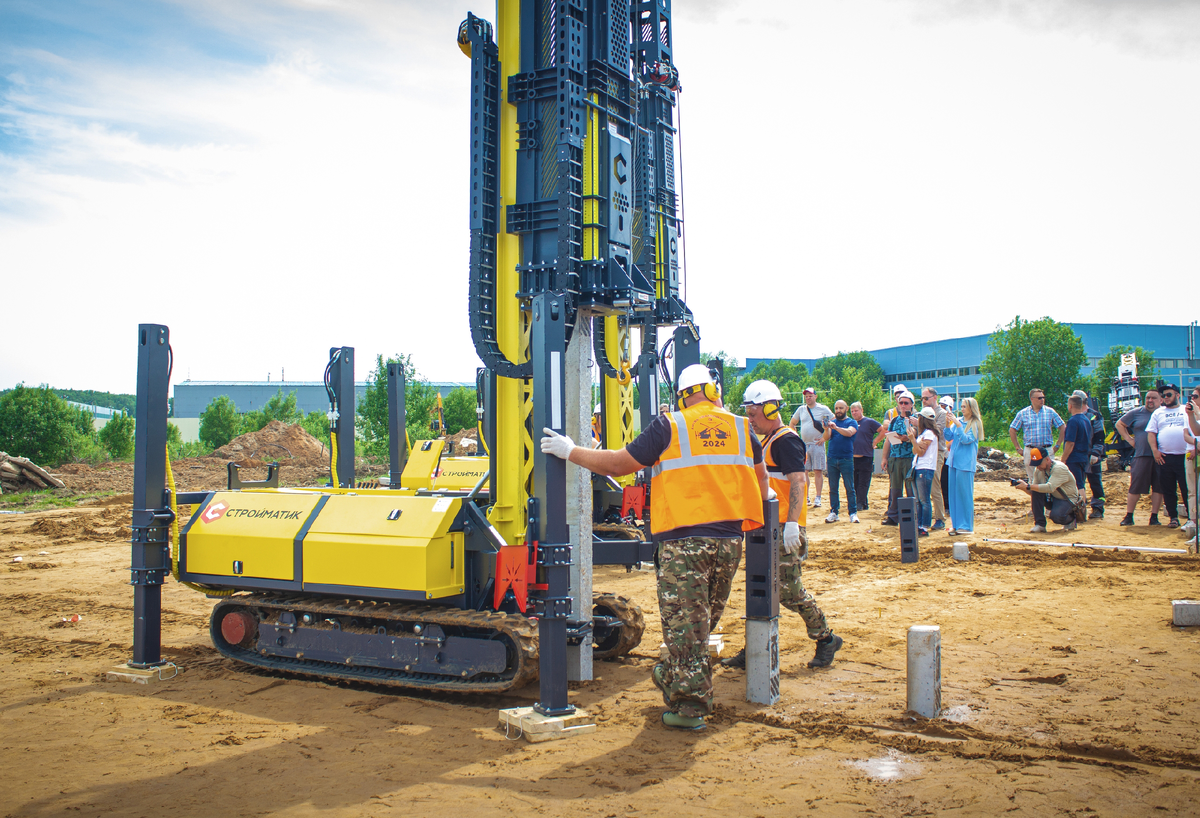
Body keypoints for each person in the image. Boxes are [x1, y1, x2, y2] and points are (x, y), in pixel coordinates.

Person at [540, 364, 766, 731]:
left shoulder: (670, 425)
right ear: (713, 390)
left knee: (685, 628)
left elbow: (620, 464)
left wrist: (571, 452)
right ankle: (674, 676)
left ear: (682, 395)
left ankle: (689, 708)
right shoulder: (742, 428)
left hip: (684, 542)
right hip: (729, 541)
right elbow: (761, 482)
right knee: (699, 624)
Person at [721, 380, 843, 672]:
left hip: (784, 528)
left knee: (789, 591)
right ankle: (754, 647)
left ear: (770, 409)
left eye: (753, 414)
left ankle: (826, 638)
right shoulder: (767, 440)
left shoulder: (785, 440)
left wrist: (792, 524)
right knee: (760, 588)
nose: (751, 420)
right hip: (766, 527)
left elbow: (798, 481)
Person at [1115, 390, 1163, 526]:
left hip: (1161, 456)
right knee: (1135, 487)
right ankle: (1129, 516)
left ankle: (1154, 517)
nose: (1150, 400)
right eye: (1148, 398)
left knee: (1158, 487)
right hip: (1142, 455)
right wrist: (1130, 440)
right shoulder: (1137, 413)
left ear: (1160, 400)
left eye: (1154, 398)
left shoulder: (1163, 413)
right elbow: (1119, 424)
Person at [1147, 381, 1190, 528]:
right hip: (1165, 457)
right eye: (1163, 395)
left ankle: (1191, 518)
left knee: (1187, 489)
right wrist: (1155, 451)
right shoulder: (1158, 413)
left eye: (1169, 395)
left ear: (1177, 395)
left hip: (1185, 456)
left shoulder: (1186, 410)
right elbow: (1151, 433)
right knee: (1168, 489)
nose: (1165, 397)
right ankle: (1173, 518)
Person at [1014, 447, 1081, 532]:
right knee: (1036, 491)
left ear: (1047, 459)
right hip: (1053, 497)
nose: (1038, 467)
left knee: (1056, 517)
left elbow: (1050, 487)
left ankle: (1071, 519)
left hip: (1067, 499)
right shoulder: (1039, 470)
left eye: (1039, 463)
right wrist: (1024, 487)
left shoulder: (1059, 468)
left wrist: (1028, 486)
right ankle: (1040, 524)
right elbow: (1033, 491)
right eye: (1036, 464)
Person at [789, 387, 834, 509]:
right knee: (804, 471)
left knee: (818, 471)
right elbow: (792, 423)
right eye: (806, 396)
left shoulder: (823, 409)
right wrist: (796, 437)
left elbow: (832, 422)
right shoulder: (801, 409)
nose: (808, 398)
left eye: (810, 396)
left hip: (817, 444)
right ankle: (806, 496)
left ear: (815, 396)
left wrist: (825, 437)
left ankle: (818, 497)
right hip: (804, 445)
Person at [944, 397, 983, 534]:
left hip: (965, 463)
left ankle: (966, 526)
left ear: (972, 408)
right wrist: (948, 424)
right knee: (953, 495)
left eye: (965, 406)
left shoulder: (975, 423)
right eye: (961, 406)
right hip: (953, 462)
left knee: (964, 495)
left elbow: (967, 440)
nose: (962, 409)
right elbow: (948, 437)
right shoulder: (958, 421)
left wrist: (958, 425)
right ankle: (956, 524)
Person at [1009, 388, 1065, 483]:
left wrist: (1057, 445)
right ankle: (1034, 493)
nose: (1042, 400)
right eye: (1039, 398)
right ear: (1032, 399)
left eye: (1043, 397)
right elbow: (1012, 429)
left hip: (1046, 449)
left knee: (1049, 478)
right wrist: (1018, 448)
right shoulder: (1023, 413)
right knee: (1032, 480)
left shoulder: (1050, 412)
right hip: (1030, 450)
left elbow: (1062, 427)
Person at [881, 391, 916, 526]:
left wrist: (907, 437)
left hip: (909, 458)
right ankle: (893, 516)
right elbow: (888, 439)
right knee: (895, 489)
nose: (903, 405)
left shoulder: (915, 419)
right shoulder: (894, 420)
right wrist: (884, 458)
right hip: (895, 458)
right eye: (901, 402)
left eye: (906, 403)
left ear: (911, 404)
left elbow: (915, 435)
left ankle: (913, 515)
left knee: (911, 489)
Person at [1072, 389, 1107, 520]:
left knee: (1095, 482)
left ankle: (1098, 508)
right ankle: (1080, 510)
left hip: (1091, 456)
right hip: (1078, 456)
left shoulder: (1094, 416)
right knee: (1078, 483)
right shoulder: (1074, 415)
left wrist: (1096, 453)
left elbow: (1100, 436)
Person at [823, 400, 859, 523]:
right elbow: (826, 437)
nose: (838, 410)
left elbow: (849, 433)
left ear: (846, 408)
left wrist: (836, 428)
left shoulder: (852, 422)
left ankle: (853, 513)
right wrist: (826, 429)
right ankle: (834, 511)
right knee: (833, 487)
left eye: (841, 408)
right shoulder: (832, 422)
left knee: (849, 487)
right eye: (836, 408)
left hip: (846, 459)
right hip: (832, 458)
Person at [919, 387, 950, 531]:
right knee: (924, 486)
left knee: (934, 485)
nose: (924, 401)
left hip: (937, 452)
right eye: (922, 399)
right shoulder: (923, 412)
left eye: (926, 398)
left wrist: (920, 423)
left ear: (935, 397)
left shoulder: (942, 413)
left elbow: (938, 432)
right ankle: (927, 516)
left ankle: (940, 518)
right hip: (924, 452)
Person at [909, 407, 941, 537]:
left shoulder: (928, 434)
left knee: (923, 499)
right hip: (920, 467)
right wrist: (916, 443)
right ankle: (920, 525)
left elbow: (920, 452)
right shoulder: (925, 434)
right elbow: (916, 450)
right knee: (920, 500)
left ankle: (924, 526)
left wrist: (913, 439)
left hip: (925, 468)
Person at [850, 402, 882, 512]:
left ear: (861, 410)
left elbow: (883, 430)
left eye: (856, 410)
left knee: (863, 481)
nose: (854, 413)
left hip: (866, 455)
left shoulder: (869, 422)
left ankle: (860, 503)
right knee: (855, 481)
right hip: (853, 456)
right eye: (852, 411)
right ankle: (863, 502)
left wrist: (875, 441)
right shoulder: (851, 423)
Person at [1061, 395, 1093, 491]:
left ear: (1070, 406)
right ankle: (1082, 499)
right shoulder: (1086, 420)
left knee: (1077, 485)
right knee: (1081, 482)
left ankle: (1081, 501)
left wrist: (1063, 459)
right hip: (1084, 457)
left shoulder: (1073, 421)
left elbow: (1070, 443)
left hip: (1074, 458)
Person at [938, 396, 955, 516]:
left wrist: (944, 447)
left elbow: (952, 440)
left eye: (945, 407)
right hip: (941, 455)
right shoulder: (938, 419)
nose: (942, 409)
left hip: (948, 456)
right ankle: (944, 505)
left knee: (946, 482)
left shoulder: (954, 422)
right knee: (941, 482)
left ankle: (948, 506)